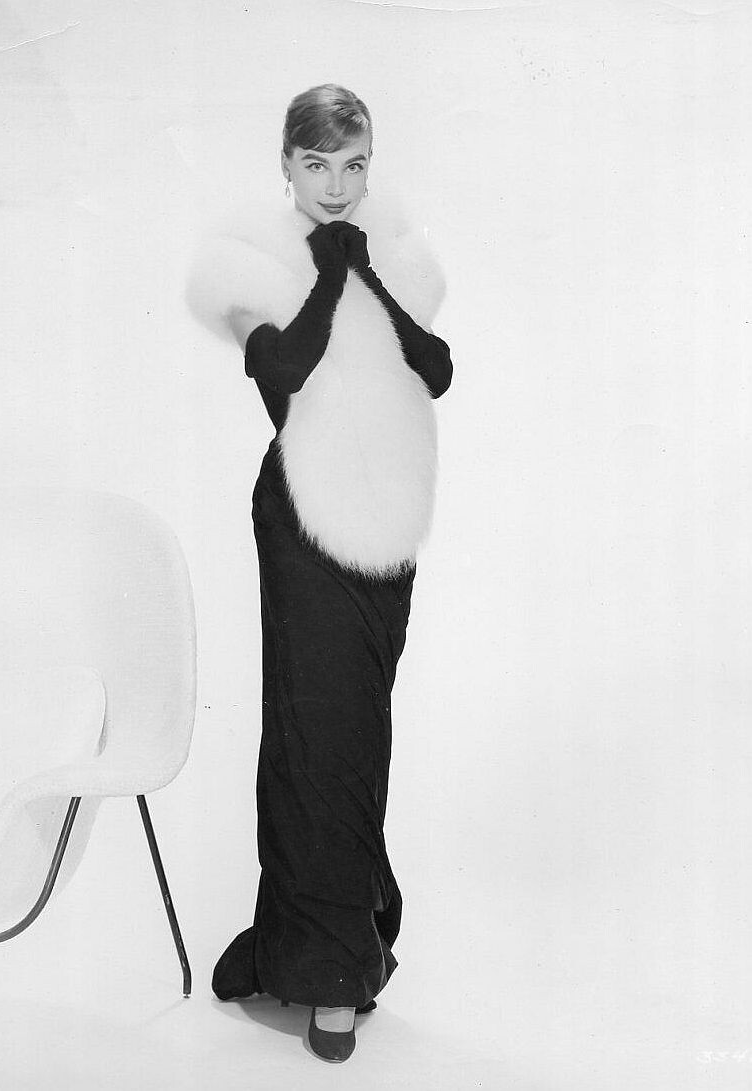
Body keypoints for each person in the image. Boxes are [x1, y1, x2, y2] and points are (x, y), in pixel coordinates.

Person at [187, 83, 452, 1063]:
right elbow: (283, 371)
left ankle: (325, 946)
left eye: (354, 165)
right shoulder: (252, 262)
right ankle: (325, 973)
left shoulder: (393, 252)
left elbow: (435, 369)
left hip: (387, 534)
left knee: (354, 739)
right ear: (287, 166)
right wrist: (334, 274)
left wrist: (365, 269)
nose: (337, 186)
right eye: (316, 165)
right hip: (305, 519)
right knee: (313, 740)